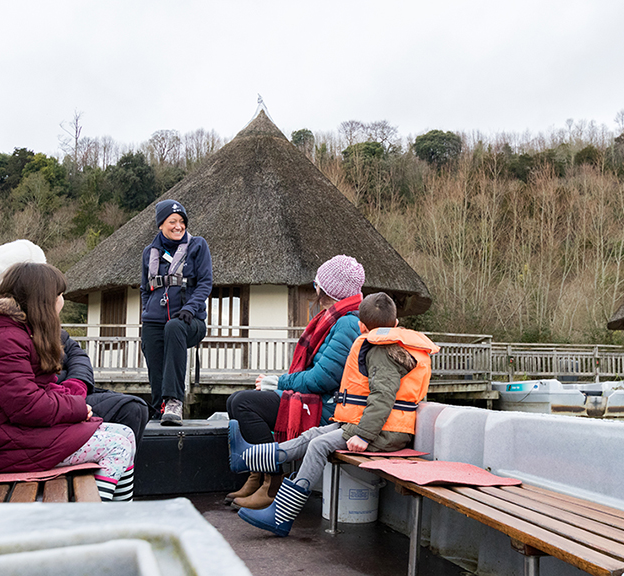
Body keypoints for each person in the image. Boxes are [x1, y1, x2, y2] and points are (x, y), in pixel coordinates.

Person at [228, 292, 440, 536]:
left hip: (383, 433)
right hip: (372, 425)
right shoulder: (385, 345)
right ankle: (248, 457)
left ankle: (280, 516)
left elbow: (383, 397)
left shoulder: (382, 351)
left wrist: (363, 435)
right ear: (395, 324)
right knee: (314, 434)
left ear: (361, 326)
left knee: (318, 445)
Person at [0, 263, 137, 501]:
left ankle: (119, 517)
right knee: (117, 447)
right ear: (43, 300)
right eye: (59, 295)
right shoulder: (2, 340)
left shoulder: (14, 332)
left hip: (18, 435)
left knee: (125, 433)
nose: (62, 301)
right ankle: (94, 523)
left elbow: (36, 390)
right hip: (7, 444)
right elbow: (27, 407)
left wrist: (72, 401)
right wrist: (78, 408)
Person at [0, 239, 149, 446]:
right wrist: (54, 398)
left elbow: (77, 355)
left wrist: (75, 385)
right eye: (55, 292)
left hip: (56, 400)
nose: (60, 299)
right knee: (128, 413)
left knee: (132, 408)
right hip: (35, 416)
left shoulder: (36, 323)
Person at [225, 255, 365, 510]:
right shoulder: (337, 318)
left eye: (317, 284)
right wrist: (278, 383)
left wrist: (278, 381)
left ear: (328, 289)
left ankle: (273, 483)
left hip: (327, 408)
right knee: (235, 401)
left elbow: (322, 379)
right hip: (319, 400)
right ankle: (257, 477)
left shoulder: (347, 322)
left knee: (246, 404)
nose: (315, 289)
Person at [140, 199, 212, 425]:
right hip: (155, 319)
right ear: (161, 224)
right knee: (151, 345)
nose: (178, 226)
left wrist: (190, 308)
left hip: (189, 321)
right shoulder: (148, 253)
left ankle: (174, 400)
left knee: (173, 327)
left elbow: (205, 283)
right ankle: (159, 406)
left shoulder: (198, 246)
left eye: (182, 222)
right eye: (172, 221)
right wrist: (147, 311)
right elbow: (145, 288)